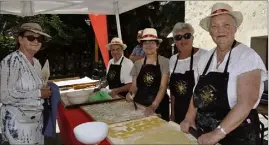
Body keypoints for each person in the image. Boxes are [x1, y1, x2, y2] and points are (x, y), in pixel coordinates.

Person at [180, 3, 267, 145]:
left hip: (238, 134)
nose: (220, 30)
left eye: (226, 25)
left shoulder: (247, 57)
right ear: (210, 31)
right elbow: (197, 92)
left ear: (235, 28)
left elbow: (246, 102)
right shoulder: (205, 58)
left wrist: (217, 133)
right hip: (205, 130)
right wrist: (189, 117)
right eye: (215, 26)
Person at [0, 23, 52, 144]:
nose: (35, 41)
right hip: (18, 124)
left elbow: (32, 86)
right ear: (20, 39)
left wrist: (44, 86)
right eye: (30, 37)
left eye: (39, 38)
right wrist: (38, 93)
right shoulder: (11, 61)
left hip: (36, 121)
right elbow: (5, 95)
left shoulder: (36, 62)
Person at [127, 28, 170, 121]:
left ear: (157, 45)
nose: (148, 45)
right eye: (145, 43)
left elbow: (163, 87)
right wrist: (130, 94)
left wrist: (153, 106)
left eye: (152, 42)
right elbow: (134, 86)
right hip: (140, 106)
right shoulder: (137, 64)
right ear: (142, 46)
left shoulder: (165, 62)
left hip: (158, 107)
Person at [169, 22, 207, 124]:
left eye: (187, 36)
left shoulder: (204, 56)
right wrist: (172, 114)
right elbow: (173, 92)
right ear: (175, 41)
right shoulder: (173, 60)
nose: (183, 40)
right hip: (179, 112)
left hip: (199, 114)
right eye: (178, 37)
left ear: (192, 38)